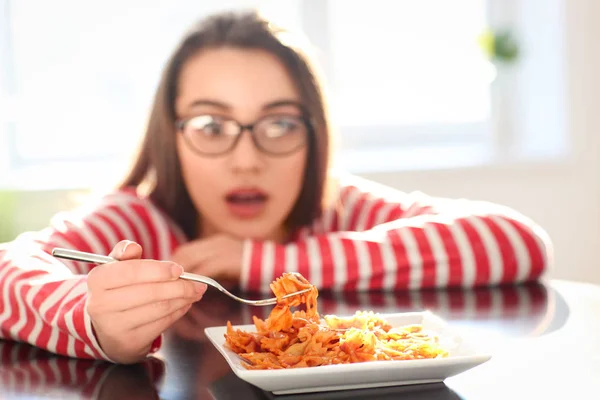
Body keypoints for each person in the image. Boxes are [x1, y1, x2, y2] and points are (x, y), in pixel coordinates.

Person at [0, 10, 552, 364]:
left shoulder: (338, 209)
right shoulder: (137, 222)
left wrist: (257, 258)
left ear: (313, 134)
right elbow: (11, 269)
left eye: (279, 124)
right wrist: (94, 321)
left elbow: (512, 240)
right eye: (212, 126)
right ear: (171, 136)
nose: (247, 160)